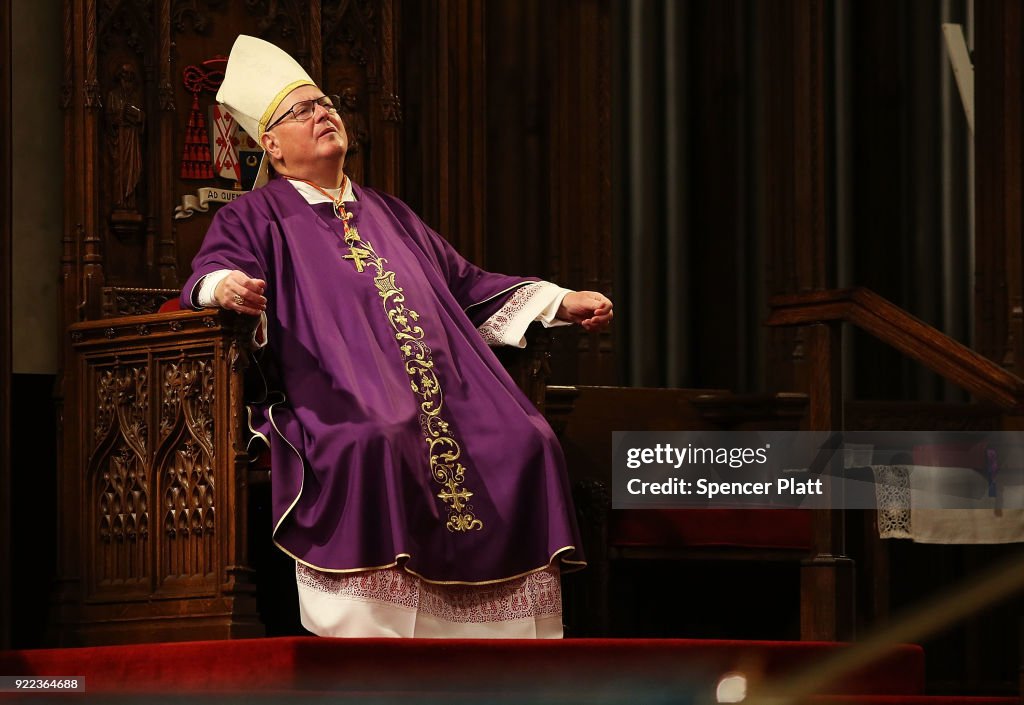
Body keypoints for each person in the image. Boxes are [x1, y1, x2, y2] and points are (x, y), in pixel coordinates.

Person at [182, 35, 613, 639]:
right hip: (334, 390)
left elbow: (467, 284)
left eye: (325, 103)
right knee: (375, 437)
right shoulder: (253, 216)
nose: (322, 113)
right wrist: (226, 288)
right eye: (301, 111)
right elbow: (207, 275)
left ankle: (507, 642)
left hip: (446, 392)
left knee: (529, 439)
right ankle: (377, 636)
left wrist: (559, 301)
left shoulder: (391, 212)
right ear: (272, 146)